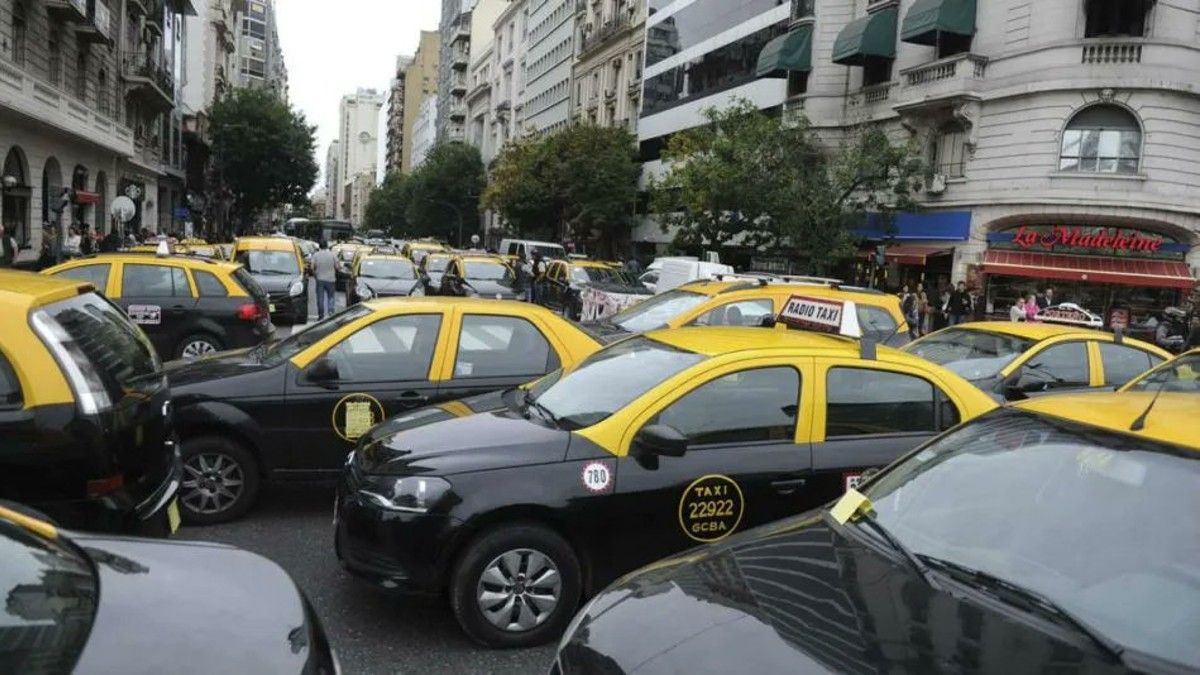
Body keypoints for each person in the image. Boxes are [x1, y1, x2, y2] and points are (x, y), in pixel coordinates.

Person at [310, 239, 337, 321]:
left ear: (319, 246)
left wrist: (315, 274)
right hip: (331, 279)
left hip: (320, 279)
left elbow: (312, 267)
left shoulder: (316, 255)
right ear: (327, 245)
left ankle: (321, 314)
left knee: (320, 298)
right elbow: (338, 266)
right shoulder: (333, 255)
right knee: (331, 297)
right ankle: (331, 312)